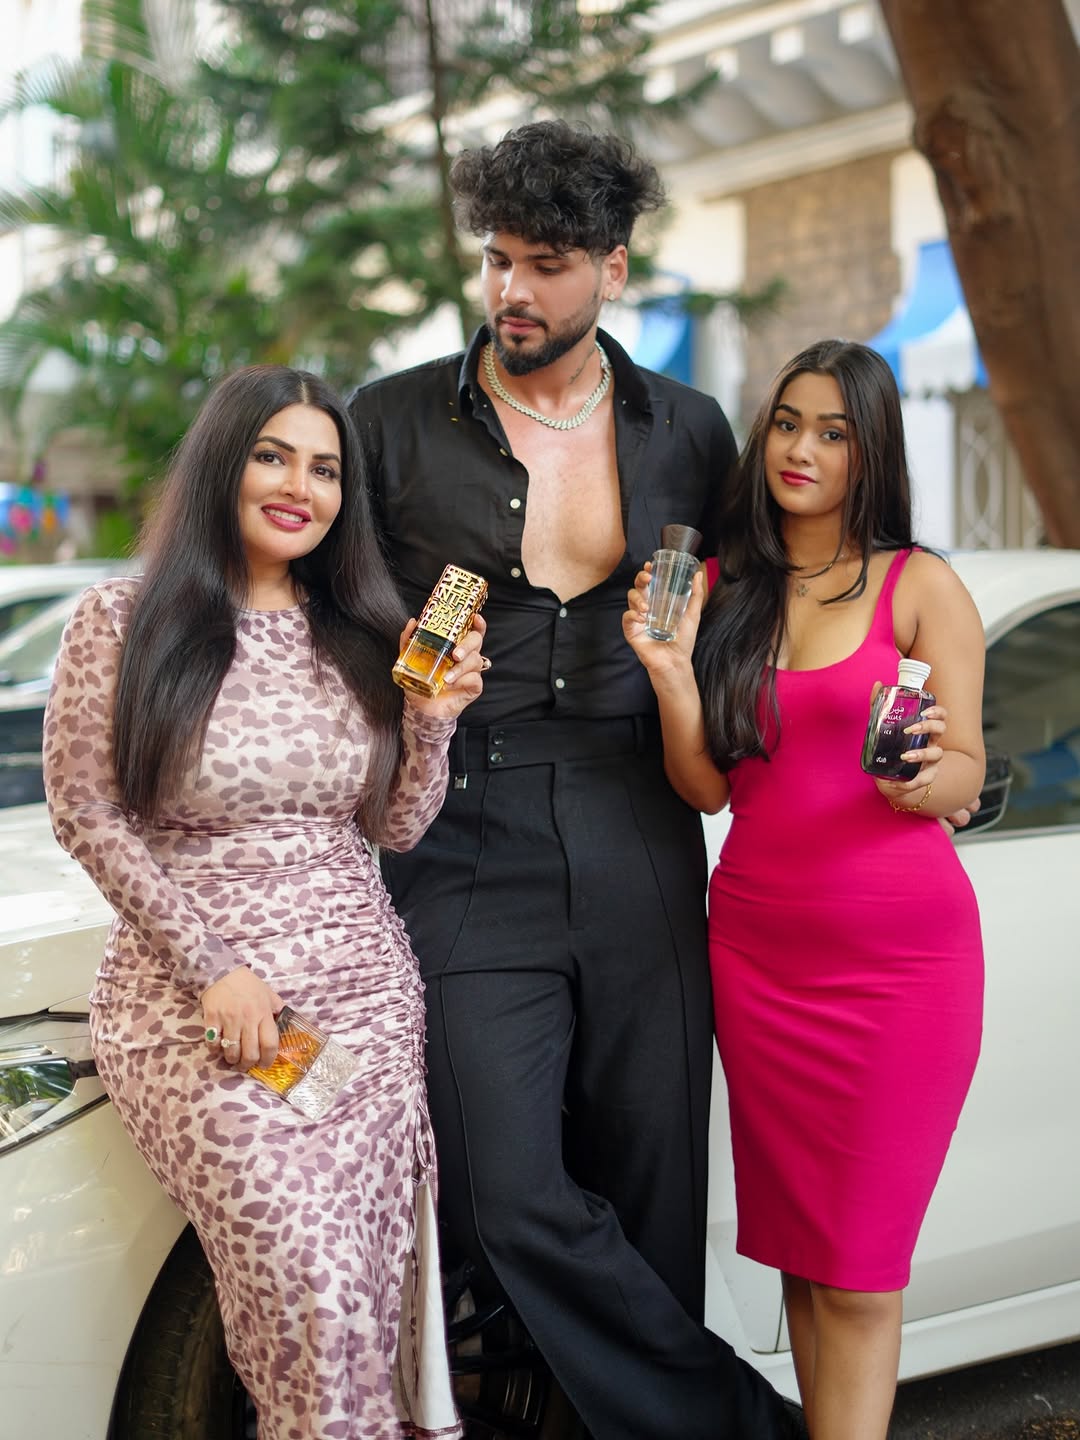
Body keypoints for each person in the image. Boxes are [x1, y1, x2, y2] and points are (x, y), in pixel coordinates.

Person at [348, 120, 805, 1439]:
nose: (512, 290)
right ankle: (742, 1426)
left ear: (613, 266)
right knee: (499, 1185)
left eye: (546, 265)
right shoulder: (390, 422)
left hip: (639, 823)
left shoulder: (687, 429)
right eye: (498, 259)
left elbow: (755, 622)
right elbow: (329, 617)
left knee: (653, 1184)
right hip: (460, 833)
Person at [42, 365, 489, 1440]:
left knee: (358, 1297)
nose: (300, 486)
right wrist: (216, 970)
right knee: (312, 1289)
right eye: (273, 456)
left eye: (325, 469)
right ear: (221, 465)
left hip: (359, 1007)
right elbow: (86, 812)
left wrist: (433, 720)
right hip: (198, 1013)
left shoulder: (362, 631)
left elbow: (395, 828)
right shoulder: (122, 620)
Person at [624, 339, 986, 1440]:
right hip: (757, 958)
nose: (802, 449)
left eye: (834, 432)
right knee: (804, 1255)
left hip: (900, 965)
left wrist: (925, 779)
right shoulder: (725, 590)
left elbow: (967, 770)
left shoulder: (920, 584)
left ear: (871, 451)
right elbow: (707, 787)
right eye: (787, 423)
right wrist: (672, 674)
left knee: (862, 1275)